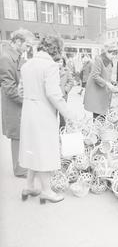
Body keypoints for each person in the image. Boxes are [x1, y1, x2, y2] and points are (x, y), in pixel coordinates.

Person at [19, 36, 79, 203]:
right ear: (56, 50)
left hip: (28, 112)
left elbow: (20, 91)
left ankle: (30, 186)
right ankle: (46, 191)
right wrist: (69, 115)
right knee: (44, 151)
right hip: (43, 113)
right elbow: (54, 95)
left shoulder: (27, 65)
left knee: (32, 149)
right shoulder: (50, 66)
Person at [0, 28, 34, 178]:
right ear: (18, 42)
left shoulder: (16, 55)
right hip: (14, 105)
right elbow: (9, 88)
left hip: (19, 103)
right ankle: (19, 170)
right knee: (17, 136)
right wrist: (26, 101)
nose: (29, 48)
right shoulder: (6, 57)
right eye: (27, 45)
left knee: (22, 135)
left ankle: (22, 164)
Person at [83, 45, 118, 120]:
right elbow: (95, 76)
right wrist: (108, 84)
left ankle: (100, 130)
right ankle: (98, 131)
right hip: (97, 94)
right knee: (98, 118)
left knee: (102, 117)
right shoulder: (99, 60)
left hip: (103, 93)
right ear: (107, 53)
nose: (114, 57)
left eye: (115, 55)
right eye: (112, 54)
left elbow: (105, 76)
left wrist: (112, 82)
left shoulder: (109, 61)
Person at [58, 56, 74, 128]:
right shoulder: (51, 70)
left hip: (63, 95)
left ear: (63, 62)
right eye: (58, 61)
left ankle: (62, 129)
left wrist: (66, 89)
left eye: (61, 62)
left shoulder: (66, 70)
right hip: (53, 94)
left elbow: (71, 81)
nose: (59, 63)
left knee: (62, 113)